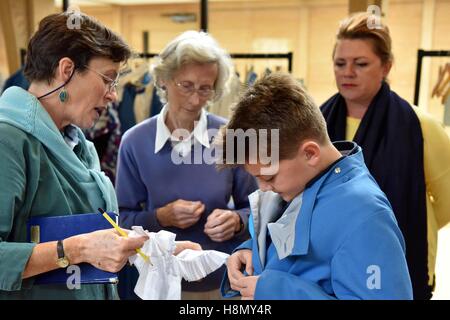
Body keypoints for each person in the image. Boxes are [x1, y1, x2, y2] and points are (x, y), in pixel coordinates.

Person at [0, 12, 198, 300]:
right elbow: (81, 245)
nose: (113, 96)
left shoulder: (80, 145)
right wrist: (76, 250)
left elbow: (92, 235)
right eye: (108, 79)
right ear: (66, 70)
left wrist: (151, 247)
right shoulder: (9, 140)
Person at [219, 73, 413, 299]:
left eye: (269, 177)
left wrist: (275, 291)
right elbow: (294, 255)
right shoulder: (300, 183)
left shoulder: (365, 216)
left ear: (310, 153)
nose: (263, 188)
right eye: (256, 177)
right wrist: (250, 250)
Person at [115, 30, 258, 300]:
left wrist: (236, 221)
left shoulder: (231, 137)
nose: (195, 99)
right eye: (186, 85)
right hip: (155, 287)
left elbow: (258, 209)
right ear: (163, 80)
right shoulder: (134, 142)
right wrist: (160, 218)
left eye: (206, 88)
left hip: (224, 283)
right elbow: (120, 220)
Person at [320, 12, 450, 300]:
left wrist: (385, 225)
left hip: (399, 262)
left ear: (386, 66)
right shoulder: (316, 124)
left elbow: (447, 202)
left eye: (361, 64)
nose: (347, 72)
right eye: (340, 63)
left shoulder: (420, 126)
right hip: (330, 267)